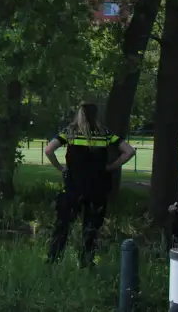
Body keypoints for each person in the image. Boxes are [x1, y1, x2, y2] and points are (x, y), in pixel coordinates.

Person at [44, 103, 135, 266]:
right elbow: (129, 151)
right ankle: (86, 261)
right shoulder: (104, 133)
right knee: (92, 227)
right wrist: (112, 167)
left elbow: (49, 150)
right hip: (97, 187)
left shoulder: (70, 131)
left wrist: (61, 167)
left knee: (63, 225)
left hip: (74, 186)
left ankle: (53, 260)